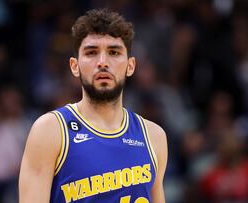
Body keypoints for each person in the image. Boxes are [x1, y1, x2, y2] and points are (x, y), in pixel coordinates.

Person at [19, 8, 168, 203]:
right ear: (75, 66)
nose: (103, 62)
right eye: (92, 52)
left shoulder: (154, 136)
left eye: (114, 52)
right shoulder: (50, 130)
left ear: (130, 66)